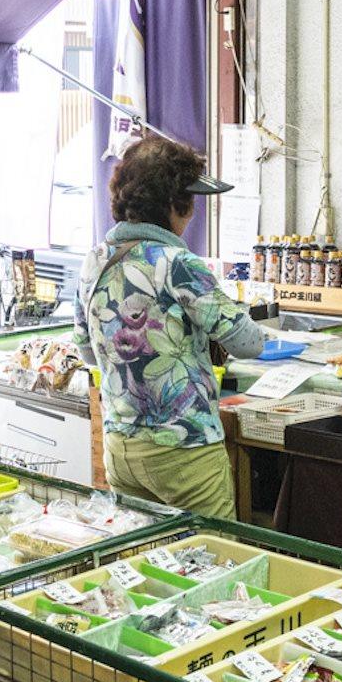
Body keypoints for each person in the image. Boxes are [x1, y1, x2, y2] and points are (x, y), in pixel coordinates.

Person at [73, 137, 266, 518]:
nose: (192, 213)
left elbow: (86, 351)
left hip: (122, 446)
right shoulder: (179, 263)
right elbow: (248, 343)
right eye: (190, 201)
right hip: (184, 450)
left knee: (145, 556)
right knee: (210, 557)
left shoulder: (94, 260)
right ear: (173, 204)